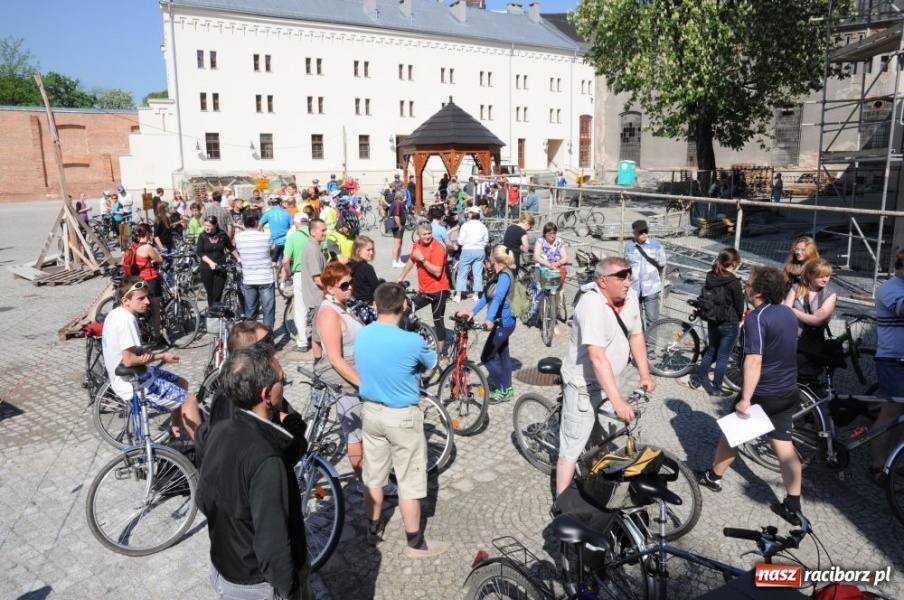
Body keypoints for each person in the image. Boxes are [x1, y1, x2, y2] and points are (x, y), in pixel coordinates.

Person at [198, 345, 312, 600]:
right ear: (266, 394)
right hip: (258, 585)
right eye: (282, 380)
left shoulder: (220, 429)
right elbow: (273, 544)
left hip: (225, 567)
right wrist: (289, 592)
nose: (284, 384)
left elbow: (203, 498)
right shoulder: (266, 457)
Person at [695, 266, 805, 526]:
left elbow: (754, 360)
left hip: (763, 392)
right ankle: (792, 504)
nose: (745, 286)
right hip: (788, 389)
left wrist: (745, 398)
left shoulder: (757, 317)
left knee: (732, 432)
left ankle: (713, 476)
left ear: (759, 291)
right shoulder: (788, 313)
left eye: (749, 283)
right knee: (785, 448)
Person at [354, 283, 449, 559]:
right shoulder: (412, 341)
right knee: (409, 479)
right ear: (405, 306)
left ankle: (373, 530)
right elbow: (431, 363)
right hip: (402, 416)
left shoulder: (363, 334)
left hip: (371, 412)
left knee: (374, 475)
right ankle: (415, 543)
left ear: (374, 305)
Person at [555, 257, 656, 497]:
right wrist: (618, 401)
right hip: (583, 384)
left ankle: (596, 483)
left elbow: (636, 336)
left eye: (629, 276)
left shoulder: (629, 299)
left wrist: (645, 373)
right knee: (571, 449)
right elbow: (597, 357)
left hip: (610, 381)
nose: (627, 282)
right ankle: (561, 504)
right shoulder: (591, 305)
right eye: (621, 277)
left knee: (604, 441)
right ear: (602, 281)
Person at [101, 277, 201, 440]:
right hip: (134, 382)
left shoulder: (115, 314)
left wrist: (140, 350)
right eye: (141, 298)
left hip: (136, 373)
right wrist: (160, 356)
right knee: (190, 401)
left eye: (147, 297)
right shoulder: (127, 320)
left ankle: (176, 433)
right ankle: (204, 450)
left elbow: (125, 351)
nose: (147, 301)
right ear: (125, 300)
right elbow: (129, 361)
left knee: (182, 383)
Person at [457, 245, 518, 402]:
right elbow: (486, 296)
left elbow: (497, 299)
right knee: (503, 356)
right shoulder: (496, 275)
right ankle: (507, 389)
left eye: (490, 255)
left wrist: (489, 319)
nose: (488, 258)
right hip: (501, 323)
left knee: (487, 357)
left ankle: (503, 390)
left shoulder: (504, 276)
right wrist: (472, 312)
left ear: (494, 258)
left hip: (504, 323)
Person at [688, 248, 745, 397]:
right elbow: (739, 306)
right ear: (734, 263)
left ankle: (697, 380)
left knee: (710, 351)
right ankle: (716, 389)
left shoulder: (710, 276)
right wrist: (740, 318)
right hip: (729, 323)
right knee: (723, 357)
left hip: (712, 320)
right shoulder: (734, 282)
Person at [871, 245, 904, 486]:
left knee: (902, 416)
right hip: (891, 360)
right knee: (890, 412)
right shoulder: (889, 288)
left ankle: (893, 461)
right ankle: (877, 464)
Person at [397, 223, 452, 354]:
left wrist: (423, 258)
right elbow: (411, 260)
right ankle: (414, 337)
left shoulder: (438, 248)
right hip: (424, 290)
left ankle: (439, 353)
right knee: (405, 310)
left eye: (429, 233)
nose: (427, 237)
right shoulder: (417, 245)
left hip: (439, 290)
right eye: (424, 234)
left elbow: (438, 272)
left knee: (438, 320)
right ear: (418, 235)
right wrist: (401, 276)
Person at [784, 258, 837, 385]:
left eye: (828, 276)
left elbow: (817, 321)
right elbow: (784, 312)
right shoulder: (796, 288)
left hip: (810, 342)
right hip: (790, 337)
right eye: (821, 276)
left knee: (803, 374)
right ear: (810, 275)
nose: (826, 279)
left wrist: (794, 311)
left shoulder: (830, 294)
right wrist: (808, 316)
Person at [236, 212, 276, 329]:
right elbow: (272, 249)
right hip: (265, 277)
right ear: (257, 223)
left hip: (249, 277)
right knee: (268, 311)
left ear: (244, 223)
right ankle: (267, 339)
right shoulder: (265, 236)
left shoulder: (238, 237)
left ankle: (251, 339)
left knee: (250, 311)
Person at [624, 219, 666, 329]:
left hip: (651, 289)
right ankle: (640, 345)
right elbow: (626, 267)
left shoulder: (656, 245)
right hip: (634, 289)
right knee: (636, 321)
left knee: (652, 321)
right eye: (641, 232)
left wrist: (653, 277)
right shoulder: (629, 247)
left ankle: (651, 346)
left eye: (645, 231)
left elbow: (662, 264)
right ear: (634, 233)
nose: (644, 234)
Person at [131, 223, 165, 342]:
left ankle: (144, 332)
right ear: (148, 234)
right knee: (156, 309)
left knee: (141, 308)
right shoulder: (147, 247)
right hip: (151, 279)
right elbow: (160, 259)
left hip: (140, 279)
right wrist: (155, 253)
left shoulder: (134, 246)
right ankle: (157, 336)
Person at [282, 213, 311, 350]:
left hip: (300, 274)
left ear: (296, 224)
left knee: (300, 309)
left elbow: (286, 260)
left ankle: (303, 342)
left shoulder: (293, 237)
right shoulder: (316, 234)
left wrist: (288, 274)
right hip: (317, 273)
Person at [196, 215, 239, 307]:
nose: (206, 228)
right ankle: (212, 311)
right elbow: (199, 252)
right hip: (206, 267)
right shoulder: (202, 236)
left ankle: (216, 309)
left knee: (218, 292)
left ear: (215, 225)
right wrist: (210, 263)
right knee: (210, 292)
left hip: (220, 266)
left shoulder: (222, 235)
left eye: (209, 226)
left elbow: (230, 248)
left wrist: (239, 258)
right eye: (205, 225)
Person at [300, 218, 327, 357]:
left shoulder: (315, 247)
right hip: (316, 298)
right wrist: (331, 291)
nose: (325, 233)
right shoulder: (312, 249)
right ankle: (318, 364)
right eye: (322, 230)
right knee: (317, 336)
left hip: (318, 298)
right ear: (313, 232)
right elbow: (317, 279)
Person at [452, 207, 489, 303]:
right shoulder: (483, 227)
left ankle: (458, 295)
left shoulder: (465, 226)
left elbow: (460, 241)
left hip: (467, 250)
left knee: (462, 272)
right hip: (480, 251)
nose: (468, 214)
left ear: (472, 214)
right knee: (477, 273)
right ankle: (476, 295)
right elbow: (486, 241)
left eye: (469, 213)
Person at [348, 235, 382, 324]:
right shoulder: (367, 268)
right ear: (358, 251)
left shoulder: (349, 265)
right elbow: (377, 289)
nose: (371, 252)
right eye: (368, 250)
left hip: (354, 307)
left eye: (372, 249)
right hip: (368, 307)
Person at [533, 222, 569, 299]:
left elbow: (565, 258)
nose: (552, 236)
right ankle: (538, 307)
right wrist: (549, 265)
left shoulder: (559, 242)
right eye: (550, 233)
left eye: (554, 233)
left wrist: (557, 263)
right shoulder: (540, 241)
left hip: (555, 270)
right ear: (545, 233)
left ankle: (556, 308)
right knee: (540, 293)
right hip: (542, 269)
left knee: (558, 293)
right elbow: (536, 257)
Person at [260, 194, 293, 265]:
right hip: (286, 240)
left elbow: (259, 225)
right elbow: (292, 227)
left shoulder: (268, 213)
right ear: (280, 202)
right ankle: (285, 276)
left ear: (271, 203)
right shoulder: (287, 213)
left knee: (273, 262)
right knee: (285, 262)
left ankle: (275, 276)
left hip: (274, 241)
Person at [389, 193, 407, 268]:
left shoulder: (394, 203)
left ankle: (398, 259)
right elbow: (396, 216)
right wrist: (400, 226)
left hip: (399, 226)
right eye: (403, 198)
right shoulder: (397, 204)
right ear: (400, 198)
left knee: (400, 244)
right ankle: (394, 262)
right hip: (397, 227)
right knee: (397, 244)